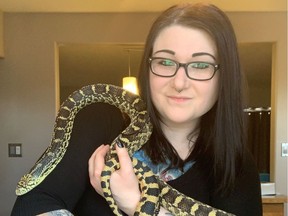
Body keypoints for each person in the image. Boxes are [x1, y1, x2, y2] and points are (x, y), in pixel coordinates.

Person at [11, 3, 262, 216]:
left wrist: (134, 203)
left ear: (223, 76)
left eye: (200, 65)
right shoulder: (101, 119)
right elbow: (32, 203)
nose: (179, 82)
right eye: (165, 61)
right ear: (147, 67)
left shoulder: (237, 165)